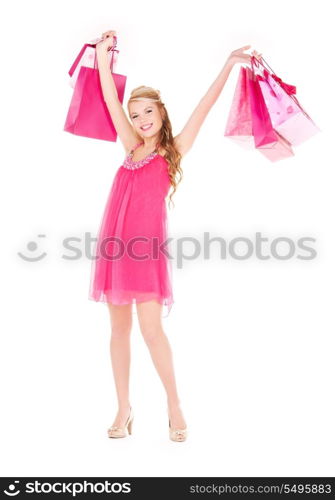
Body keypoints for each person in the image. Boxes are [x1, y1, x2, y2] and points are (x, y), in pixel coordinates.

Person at [89, 30, 262, 441]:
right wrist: (101, 58)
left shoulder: (173, 151)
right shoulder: (130, 147)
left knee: (152, 331)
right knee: (117, 331)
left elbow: (205, 104)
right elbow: (111, 101)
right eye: (135, 115)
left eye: (147, 112)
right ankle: (123, 408)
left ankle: (173, 403)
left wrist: (229, 62)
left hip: (146, 255)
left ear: (161, 114)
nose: (140, 120)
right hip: (115, 250)